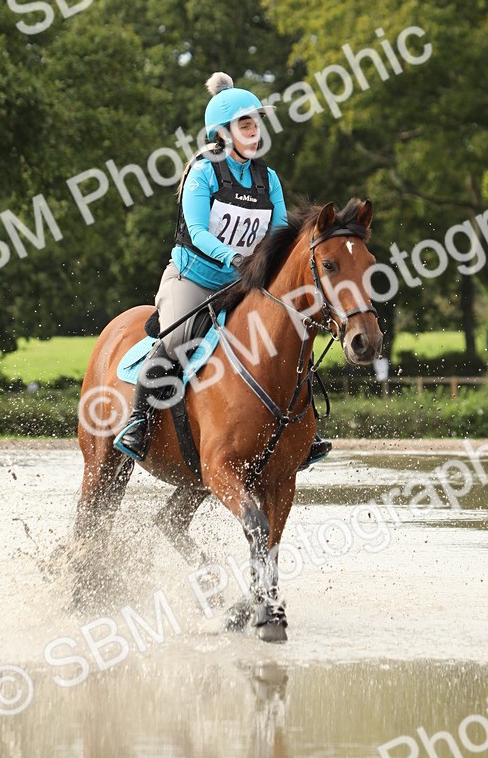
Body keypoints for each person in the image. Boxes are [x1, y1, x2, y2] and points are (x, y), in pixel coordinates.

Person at [114, 72, 331, 468]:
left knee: (289, 337)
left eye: (256, 124)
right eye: (246, 125)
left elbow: (278, 232)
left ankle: (303, 431)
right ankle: (139, 421)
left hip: (243, 284)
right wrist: (234, 258)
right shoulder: (203, 172)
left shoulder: (268, 179)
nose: (255, 131)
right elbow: (197, 231)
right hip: (194, 279)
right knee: (176, 338)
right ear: (223, 132)